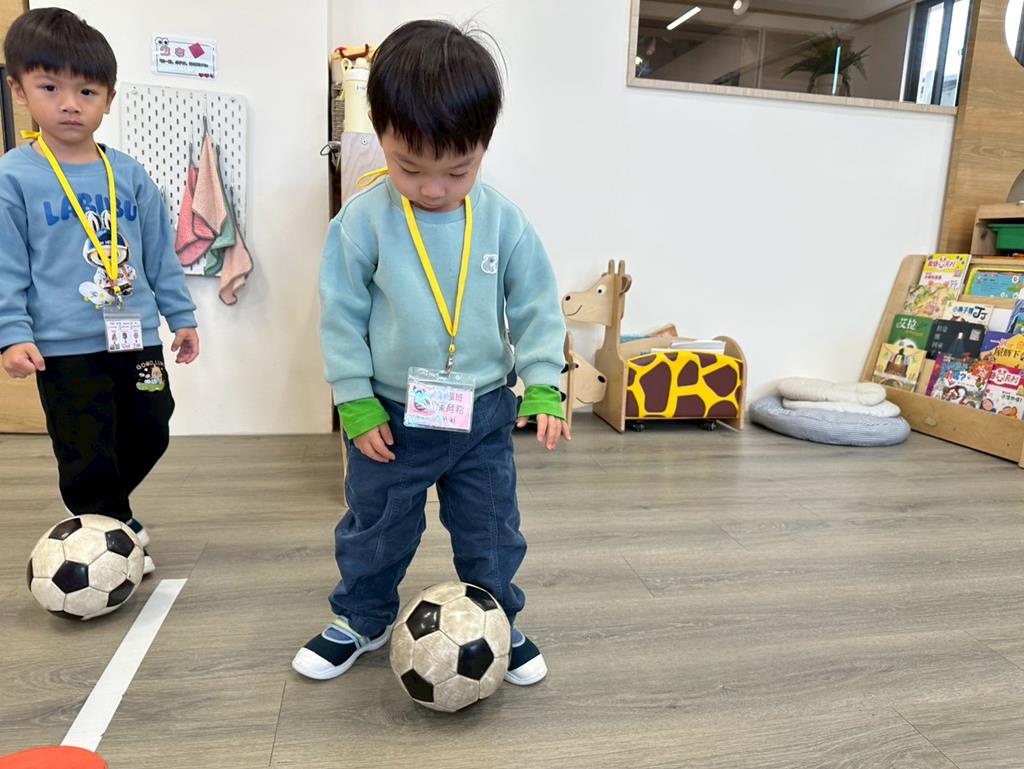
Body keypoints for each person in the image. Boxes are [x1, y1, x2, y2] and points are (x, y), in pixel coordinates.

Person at [293, 20, 568, 686]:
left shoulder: (505, 222)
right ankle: (362, 618)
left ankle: (497, 620)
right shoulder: (362, 222)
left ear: (484, 144)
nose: (434, 188)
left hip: (483, 414)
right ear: (382, 134)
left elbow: (536, 307)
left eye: (458, 170)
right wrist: (354, 401)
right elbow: (341, 318)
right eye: (410, 167)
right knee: (377, 527)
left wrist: (544, 383)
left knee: (492, 529)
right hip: (390, 417)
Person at [0, 8, 199, 574]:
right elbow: (7, 266)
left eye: (86, 91)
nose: (70, 104)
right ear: (19, 91)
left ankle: (99, 512)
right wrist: (11, 334)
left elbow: (159, 254)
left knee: (152, 426)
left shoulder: (129, 175)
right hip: (64, 346)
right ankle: (110, 523)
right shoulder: (14, 177)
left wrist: (181, 317)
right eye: (50, 87)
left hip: (136, 337)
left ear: (109, 99)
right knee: (85, 444)